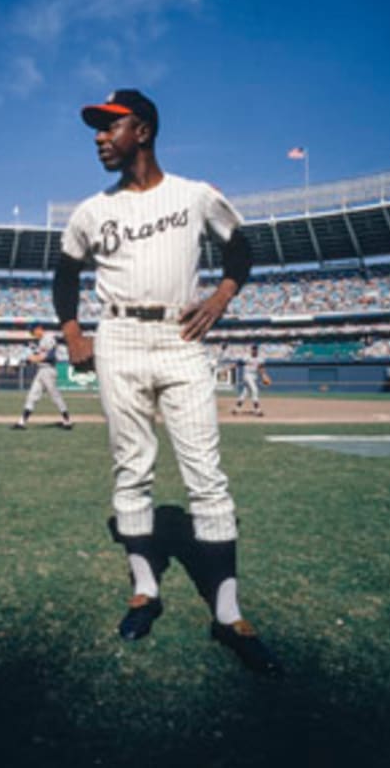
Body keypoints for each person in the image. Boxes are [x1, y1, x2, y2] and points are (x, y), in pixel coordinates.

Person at [52, 89, 282, 677]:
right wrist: (74, 333)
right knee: (132, 468)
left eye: (111, 126)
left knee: (205, 472)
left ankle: (227, 611)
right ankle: (144, 591)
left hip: (181, 337)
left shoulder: (194, 194)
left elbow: (242, 247)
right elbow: (65, 271)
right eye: (96, 130)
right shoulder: (91, 210)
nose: (101, 137)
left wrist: (223, 296)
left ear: (144, 131)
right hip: (120, 338)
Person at [11, 325, 74, 430]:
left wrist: (31, 359)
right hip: (41, 370)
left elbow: (50, 356)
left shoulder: (48, 337)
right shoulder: (40, 342)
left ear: (38, 329)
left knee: (55, 396)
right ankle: (21, 422)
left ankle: (67, 421)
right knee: (32, 396)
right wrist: (26, 361)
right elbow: (37, 357)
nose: (32, 334)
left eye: (33, 331)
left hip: (48, 370)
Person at [231, 344, 270, 416]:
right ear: (251, 350)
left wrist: (264, 376)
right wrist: (232, 367)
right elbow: (239, 363)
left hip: (254, 376)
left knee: (244, 393)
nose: (254, 350)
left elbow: (261, 368)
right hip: (247, 376)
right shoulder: (246, 357)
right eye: (253, 349)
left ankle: (236, 409)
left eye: (255, 349)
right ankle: (258, 410)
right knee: (255, 390)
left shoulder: (260, 359)